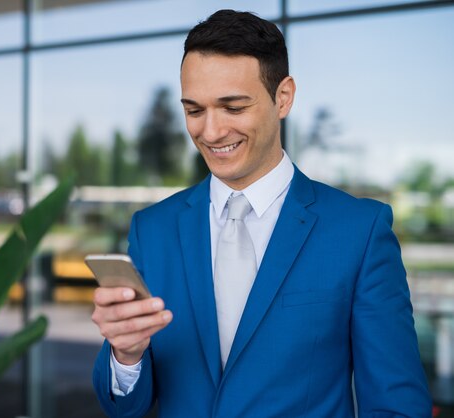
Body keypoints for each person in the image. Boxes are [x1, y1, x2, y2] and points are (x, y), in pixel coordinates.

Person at [91, 9, 431, 417]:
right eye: (194, 110)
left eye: (233, 107)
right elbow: (125, 407)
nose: (211, 131)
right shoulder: (153, 230)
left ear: (283, 97)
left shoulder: (358, 232)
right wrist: (126, 356)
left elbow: (396, 405)